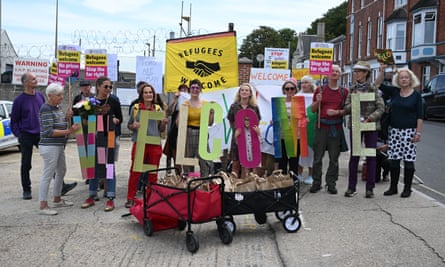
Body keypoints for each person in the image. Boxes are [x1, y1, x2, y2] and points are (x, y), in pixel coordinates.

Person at [376, 64, 423, 198]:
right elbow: (377, 84)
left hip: (410, 132)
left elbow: (420, 116)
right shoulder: (395, 92)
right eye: (401, 78)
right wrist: (382, 71)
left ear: (411, 79)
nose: (403, 80)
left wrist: (418, 133)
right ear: (398, 79)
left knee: (408, 162)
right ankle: (393, 187)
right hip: (395, 131)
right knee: (394, 161)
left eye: (406, 78)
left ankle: (407, 189)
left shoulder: (416, 96)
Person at [343, 61, 385, 198]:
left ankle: (370, 188)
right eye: (355, 71)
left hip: (370, 124)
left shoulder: (373, 88)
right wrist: (356, 101)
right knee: (354, 156)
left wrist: (371, 118)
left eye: (358, 71)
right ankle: (351, 187)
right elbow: (347, 107)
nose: (356, 74)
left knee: (370, 156)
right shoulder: (353, 88)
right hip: (356, 123)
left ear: (366, 73)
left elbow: (381, 108)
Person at [38, 83, 81, 215]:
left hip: (58, 145)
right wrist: (69, 131)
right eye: (58, 95)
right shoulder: (46, 109)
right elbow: (49, 131)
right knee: (48, 174)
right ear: (50, 96)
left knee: (61, 170)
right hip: (49, 145)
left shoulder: (56, 108)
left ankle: (57, 199)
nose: (61, 97)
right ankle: (43, 205)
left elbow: (60, 124)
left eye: (62, 94)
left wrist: (67, 118)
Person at [81, 76, 123, 211]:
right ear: (98, 86)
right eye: (106, 86)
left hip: (109, 136)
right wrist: (91, 119)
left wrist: (115, 121)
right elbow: (84, 121)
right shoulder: (89, 102)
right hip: (94, 137)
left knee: (109, 166)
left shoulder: (114, 101)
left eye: (110, 87)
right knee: (92, 167)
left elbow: (120, 118)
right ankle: (92, 195)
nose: (108, 89)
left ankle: (110, 197)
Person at [126, 84, 167, 208]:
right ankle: (130, 198)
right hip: (140, 143)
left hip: (154, 144)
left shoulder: (158, 109)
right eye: (146, 92)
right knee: (135, 172)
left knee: (153, 173)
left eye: (150, 92)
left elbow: (160, 129)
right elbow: (129, 126)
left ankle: (151, 197)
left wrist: (164, 123)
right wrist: (134, 126)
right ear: (142, 95)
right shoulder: (136, 108)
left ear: (153, 95)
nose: (148, 94)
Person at [309, 64, 349, 194]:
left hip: (336, 128)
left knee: (334, 159)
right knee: (317, 157)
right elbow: (313, 110)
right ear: (327, 74)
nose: (335, 73)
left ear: (340, 75)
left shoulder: (344, 92)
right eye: (332, 71)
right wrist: (318, 101)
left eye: (337, 71)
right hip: (321, 127)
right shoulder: (320, 90)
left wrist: (337, 112)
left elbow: (348, 110)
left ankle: (331, 183)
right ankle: (316, 182)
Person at [10, 72, 45, 199]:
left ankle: (61, 185)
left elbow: (45, 114)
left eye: (36, 78)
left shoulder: (40, 96)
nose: (36, 80)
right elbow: (14, 120)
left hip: (40, 134)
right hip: (26, 135)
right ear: (26, 83)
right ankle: (26, 189)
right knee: (26, 164)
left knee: (51, 159)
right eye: (33, 79)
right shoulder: (19, 100)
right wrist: (19, 135)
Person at [227, 83, 261, 178]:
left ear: (250, 93)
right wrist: (236, 131)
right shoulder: (234, 107)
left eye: (247, 90)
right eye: (242, 90)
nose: (244, 92)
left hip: (250, 139)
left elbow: (257, 121)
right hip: (238, 137)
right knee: (236, 162)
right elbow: (231, 120)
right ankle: (234, 187)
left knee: (249, 164)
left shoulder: (254, 107)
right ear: (239, 92)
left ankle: (246, 185)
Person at [181, 79, 214, 177]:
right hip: (189, 132)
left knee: (205, 160)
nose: (195, 90)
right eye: (193, 87)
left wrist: (212, 112)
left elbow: (210, 123)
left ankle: (205, 181)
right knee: (188, 159)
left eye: (197, 88)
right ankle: (189, 182)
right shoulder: (185, 104)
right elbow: (180, 124)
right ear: (189, 89)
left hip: (202, 132)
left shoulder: (206, 104)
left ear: (200, 90)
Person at [163, 83, 189, 173]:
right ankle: (176, 173)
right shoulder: (176, 102)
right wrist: (175, 99)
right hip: (175, 131)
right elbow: (169, 112)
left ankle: (186, 173)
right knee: (173, 152)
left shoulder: (191, 102)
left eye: (185, 90)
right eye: (181, 90)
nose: (183, 91)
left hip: (187, 132)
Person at [297, 75, 317, 185]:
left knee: (311, 153)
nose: (304, 84)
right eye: (303, 82)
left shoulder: (315, 97)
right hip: (299, 129)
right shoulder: (297, 96)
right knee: (300, 152)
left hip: (312, 128)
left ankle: (310, 175)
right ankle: (299, 174)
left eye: (307, 82)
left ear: (311, 84)